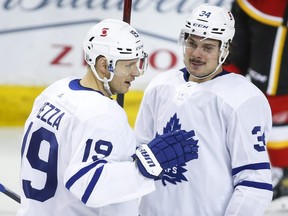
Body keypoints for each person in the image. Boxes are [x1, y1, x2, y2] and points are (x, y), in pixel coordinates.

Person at [17, 18, 199, 216]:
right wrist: (144, 168)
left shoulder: (54, 91)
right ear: (104, 65)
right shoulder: (104, 115)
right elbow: (87, 185)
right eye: (129, 65)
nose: (136, 72)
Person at [134, 4, 273, 216]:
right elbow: (138, 151)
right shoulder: (161, 85)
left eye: (207, 47)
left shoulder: (244, 99)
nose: (196, 53)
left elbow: (254, 181)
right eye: (191, 43)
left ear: (224, 50)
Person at [226, 0, 288, 200]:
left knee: (273, 91)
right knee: (228, 66)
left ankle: (279, 170)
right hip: (248, 5)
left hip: (276, 14)